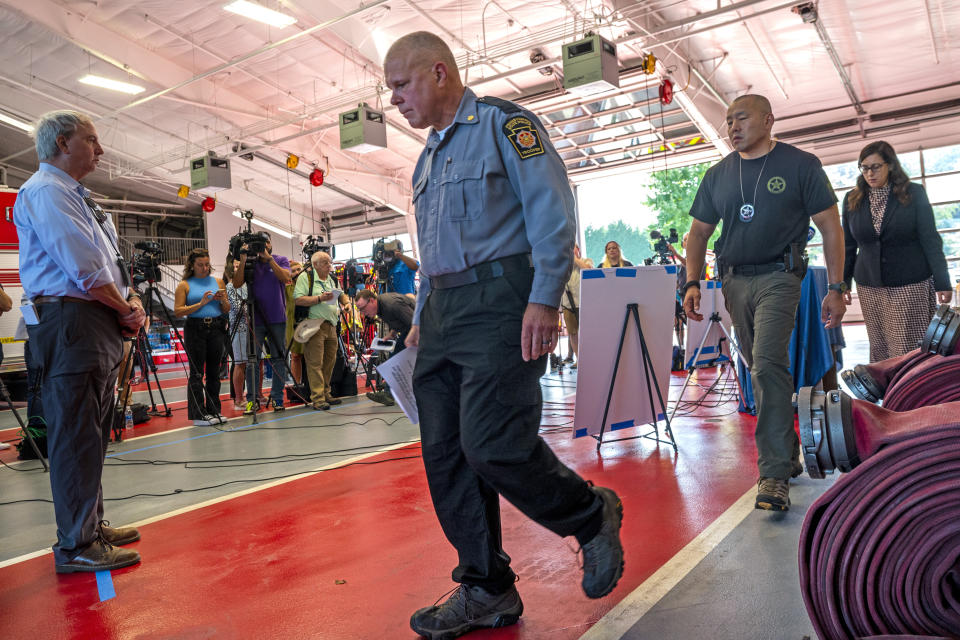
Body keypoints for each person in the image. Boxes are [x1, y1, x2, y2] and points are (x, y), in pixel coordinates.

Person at [384, 31, 624, 639]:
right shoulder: (428, 156)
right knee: (444, 455)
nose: (395, 102)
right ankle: (486, 587)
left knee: (492, 444)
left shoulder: (504, 126)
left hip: (500, 300)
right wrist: (420, 320)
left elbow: (552, 212)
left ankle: (589, 515)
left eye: (401, 86)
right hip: (443, 311)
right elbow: (433, 251)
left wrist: (544, 298)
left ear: (438, 73)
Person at [682, 94, 846, 513]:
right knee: (759, 367)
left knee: (770, 361)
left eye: (742, 118)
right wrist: (692, 282)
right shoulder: (719, 175)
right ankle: (787, 453)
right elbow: (698, 233)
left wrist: (837, 286)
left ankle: (772, 473)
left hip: (780, 276)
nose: (732, 126)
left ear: (769, 120)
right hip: (735, 280)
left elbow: (830, 226)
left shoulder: (800, 165)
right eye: (728, 121)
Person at [15, 109, 145, 573]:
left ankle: (88, 526)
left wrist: (128, 304)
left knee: (89, 430)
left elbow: (103, 264)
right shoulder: (47, 192)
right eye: (92, 140)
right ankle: (75, 545)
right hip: (72, 321)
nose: (101, 149)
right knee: (74, 433)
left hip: (90, 318)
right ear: (64, 142)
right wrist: (126, 308)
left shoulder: (73, 195)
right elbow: (84, 267)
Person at [842, 140, 952, 362]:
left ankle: (914, 392)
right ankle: (890, 394)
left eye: (876, 167)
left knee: (908, 346)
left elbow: (930, 239)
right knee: (880, 347)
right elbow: (848, 245)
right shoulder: (852, 199)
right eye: (864, 167)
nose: (870, 173)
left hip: (910, 283)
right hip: (870, 285)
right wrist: (843, 282)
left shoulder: (913, 193)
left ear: (890, 165)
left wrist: (942, 281)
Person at [232, 232, 291, 412]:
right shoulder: (250, 262)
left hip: (277, 318)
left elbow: (285, 277)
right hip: (255, 318)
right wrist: (243, 260)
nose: (263, 246)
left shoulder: (280, 259)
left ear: (270, 243)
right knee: (253, 361)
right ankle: (252, 400)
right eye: (260, 244)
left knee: (278, 359)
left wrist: (268, 259)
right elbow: (236, 283)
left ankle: (277, 398)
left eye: (266, 242)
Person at [174, 248, 229, 426]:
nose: (205, 268)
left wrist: (222, 300)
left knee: (214, 372)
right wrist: (201, 303)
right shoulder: (185, 285)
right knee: (197, 373)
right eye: (200, 265)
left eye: (207, 264)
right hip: (195, 328)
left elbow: (226, 309)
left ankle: (214, 410)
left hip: (216, 327)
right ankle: (198, 414)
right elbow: (178, 311)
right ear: (192, 265)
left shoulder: (218, 281)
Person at [293, 251, 341, 411]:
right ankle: (318, 398)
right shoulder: (305, 278)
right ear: (315, 265)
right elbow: (298, 299)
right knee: (315, 363)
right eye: (326, 263)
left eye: (330, 262)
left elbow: (341, 295)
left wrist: (346, 303)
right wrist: (320, 298)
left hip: (331, 324)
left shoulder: (332, 279)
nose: (329, 266)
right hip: (314, 325)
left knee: (329, 362)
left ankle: (326, 393)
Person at [355, 288, 415, 406]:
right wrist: (391, 334)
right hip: (410, 328)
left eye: (363, 308)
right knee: (395, 358)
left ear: (372, 300)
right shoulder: (380, 307)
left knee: (400, 359)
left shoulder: (392, 305)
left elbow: (416, 321)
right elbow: (400, 321)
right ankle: (389, 390)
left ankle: (391, 390)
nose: (362, 313)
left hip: (421, 328)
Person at [224, 255, 250, 411]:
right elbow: (236, 306)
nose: (239, 269)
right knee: (240, 363)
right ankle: (239, 398)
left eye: (241, 266)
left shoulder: (248, 284)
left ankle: (257, 394)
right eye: (236, 266)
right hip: (238, 328)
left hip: (253, 328)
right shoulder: (230, 286)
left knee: (257, 362)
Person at [561, 245, 592, 366]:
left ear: (578, 250)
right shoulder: (562, 264)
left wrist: (574, 259)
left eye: (572, 248)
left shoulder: (586, 260)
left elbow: (589, 269)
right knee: (572, 333)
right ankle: (579, 359)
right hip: (567, 303)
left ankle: (590, 356)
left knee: (587, 332)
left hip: (584, 302)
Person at [285, 260, 305, 387]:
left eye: (299, 269)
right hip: (292, 325)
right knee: (296, 356)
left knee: (310, 357)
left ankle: (310, 384)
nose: (297, 272)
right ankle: (297, 384)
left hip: (308, 324)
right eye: (293, 271)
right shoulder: (286, 289)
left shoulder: (309, 286)